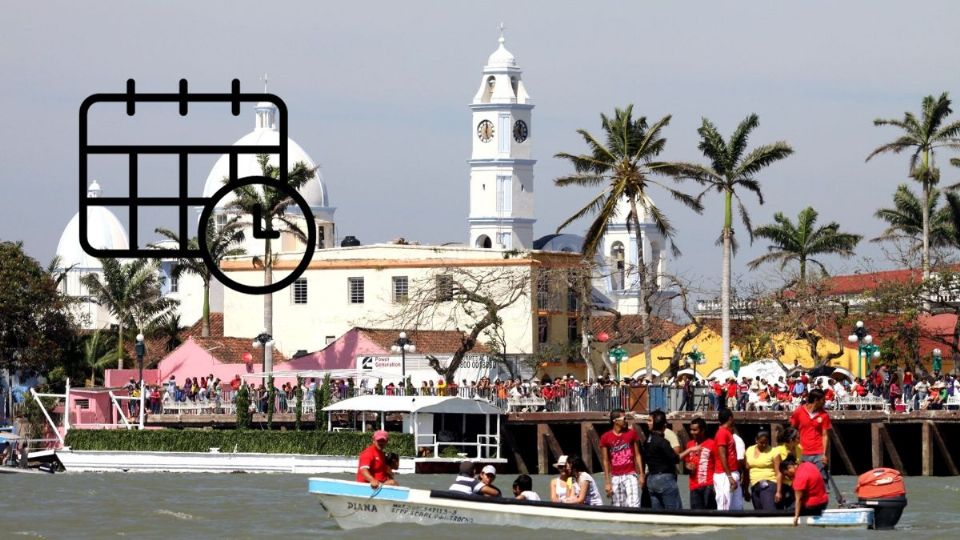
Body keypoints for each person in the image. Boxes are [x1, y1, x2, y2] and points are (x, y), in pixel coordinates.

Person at [599, 408, 645, 507]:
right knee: (618, 507)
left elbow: (638, 455)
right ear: (615, 421)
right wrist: (607, 482)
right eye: (624, 418)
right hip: (615, 477)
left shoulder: (632, 434)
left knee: (634, 504)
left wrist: (641, 474)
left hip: (630, 475)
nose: (626, 421)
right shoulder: (605, 437)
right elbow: (605, 461)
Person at [790, 388, 832, 483]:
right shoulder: (799, 412)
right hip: (802, 452)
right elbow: (792, 430)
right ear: (816, 400)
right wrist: (792, 449)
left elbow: (825, 435)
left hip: (819, 452)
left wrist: (824, 454)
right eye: (823, 400)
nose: (825, 402)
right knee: (804, 480)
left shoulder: (824, 415)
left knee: (821, 480)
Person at [643, 410, 681, 509]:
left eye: (649, 420)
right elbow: (675, 459)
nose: (647, 423)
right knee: (675, 513)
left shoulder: (647, 440)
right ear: (663, 425)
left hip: (651, 479)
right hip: (664, 478)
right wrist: (689, 450)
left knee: (658, 514)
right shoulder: (662, 442)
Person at [780, 457, 829, 526]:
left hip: (813, 506)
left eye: (786, 474)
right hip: (824, 502)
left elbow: (799, 500)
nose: (787, 477)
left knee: (787, 507)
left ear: (789, 468)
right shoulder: (808, 464)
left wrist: (796, 517)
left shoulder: (799, 478)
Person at [681, 417, 716, 509]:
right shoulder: (690, 445)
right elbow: (686, 462)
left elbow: (718, 465)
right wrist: (687, 466)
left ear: (703, 430)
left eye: (695, 430)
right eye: (691, 430)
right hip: (694, 486)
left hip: (709, 485)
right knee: (695, 515)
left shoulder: (712, 444)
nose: (692, 432)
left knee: (710, 514)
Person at [713, 408, 743, 510]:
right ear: (730, 418)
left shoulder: (728, 433)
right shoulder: (722, 433)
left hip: (732, 473)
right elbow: (722, 456)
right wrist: (729, 476)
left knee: (737, 507)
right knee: (724, 506)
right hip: (724, 475)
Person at [745, 430, 780, 510]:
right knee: (759, 513)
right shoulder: (749, 450)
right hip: (754, 485)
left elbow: (779, 473)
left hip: (769, 485)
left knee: (769, 511)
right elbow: (746, 471)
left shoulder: (774, 452)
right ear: (756, 440)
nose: (764, 445)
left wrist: (778, 491)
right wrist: (746, 489)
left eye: (766, 442)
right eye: (761, 442)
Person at [775, 427, 802, 510]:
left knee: (795, 507)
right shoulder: (778, 451)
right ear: (791, 440)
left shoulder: (800, 448)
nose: (800, 440)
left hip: (796, 484)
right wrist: (778, 492)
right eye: (798, 438)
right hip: (784, 484)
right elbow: (778, 473)